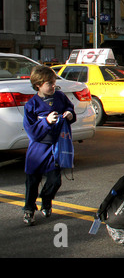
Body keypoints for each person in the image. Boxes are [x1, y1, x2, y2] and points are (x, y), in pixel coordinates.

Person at [23, 66, 76, 225]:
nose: (53, 86)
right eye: (49, 83)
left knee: (55, 180)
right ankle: (29, 210)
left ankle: (46, 200)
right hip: (38, 150)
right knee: (32, 182)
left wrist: (69, 114)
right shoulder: (31, 105)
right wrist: (46, 122)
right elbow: (32, 132)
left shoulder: (60, 97)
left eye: (54, 83)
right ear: (38, 85)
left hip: (56, 147)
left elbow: (69, 108)